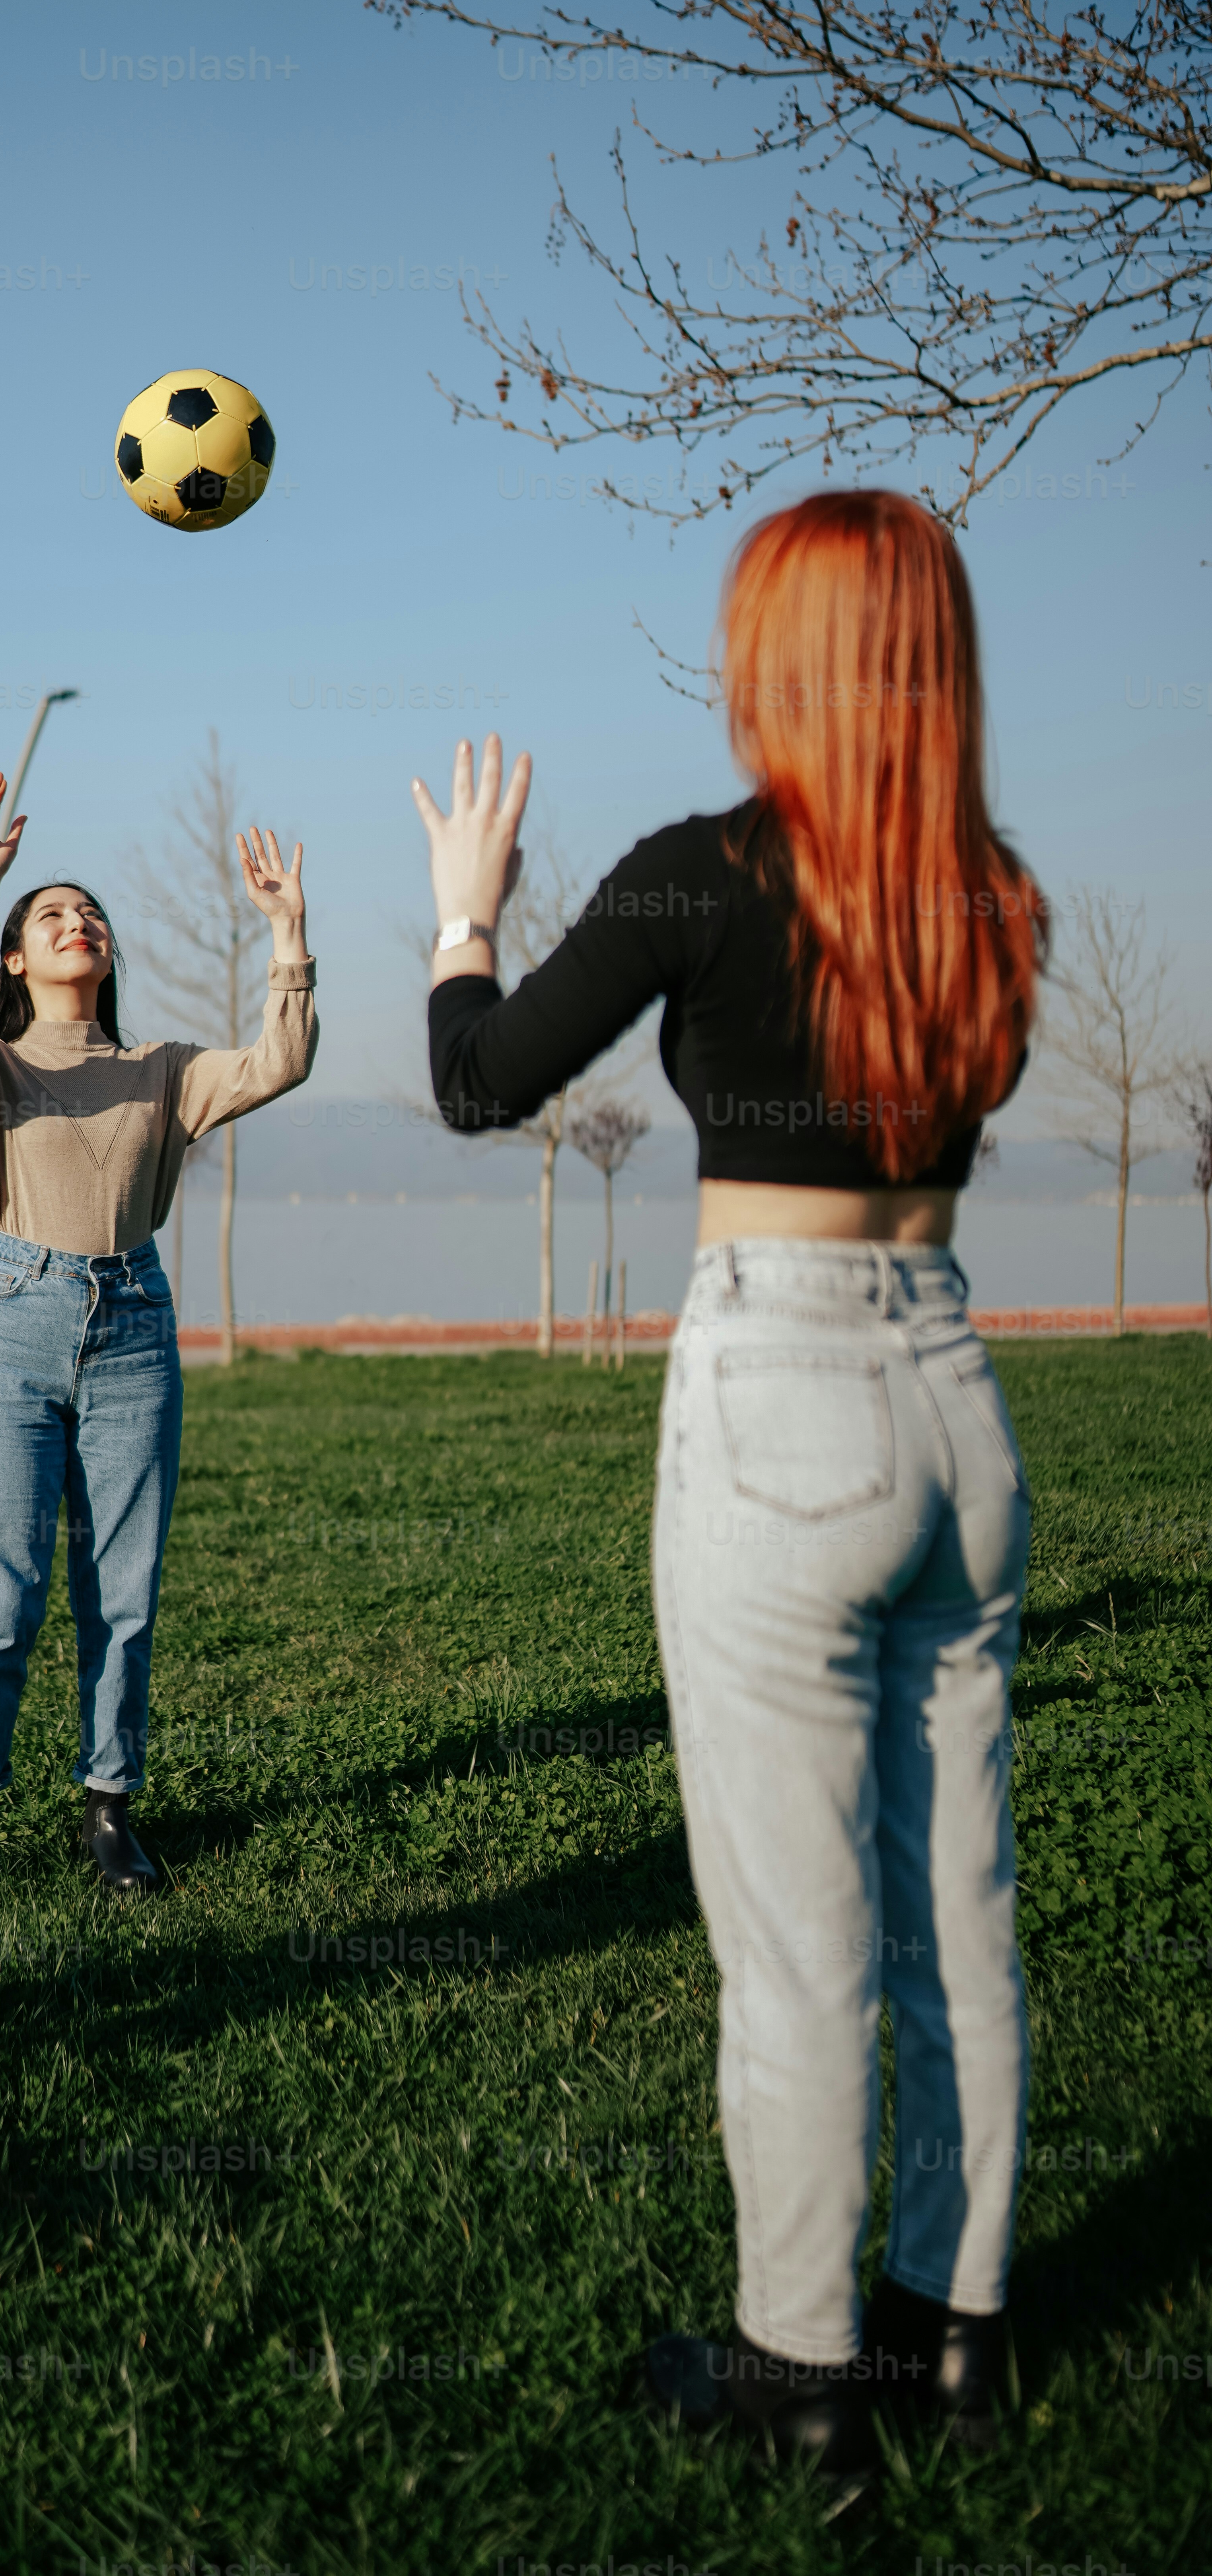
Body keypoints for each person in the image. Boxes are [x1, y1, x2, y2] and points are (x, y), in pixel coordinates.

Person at [414, 492, 1046, 2476]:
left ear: (778, 657)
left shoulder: (702, 874)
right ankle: (954, 2337)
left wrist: (463, 914)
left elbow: (481, 1079)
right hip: (954, 1390)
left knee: (795, 1944)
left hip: (782, 1396)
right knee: (960, 1908)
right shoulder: (998, 900)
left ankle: (795, 2388)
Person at [0, 769, 317, 1900]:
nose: (76, 923)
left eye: (88, 915)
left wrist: (289, 934)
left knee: (122, 1590)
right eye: (53, 918)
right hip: (12, 1324)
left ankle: (109, 1815)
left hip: (134, 1326)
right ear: (19, 961)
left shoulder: (166, 1073)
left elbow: (283, 1061)